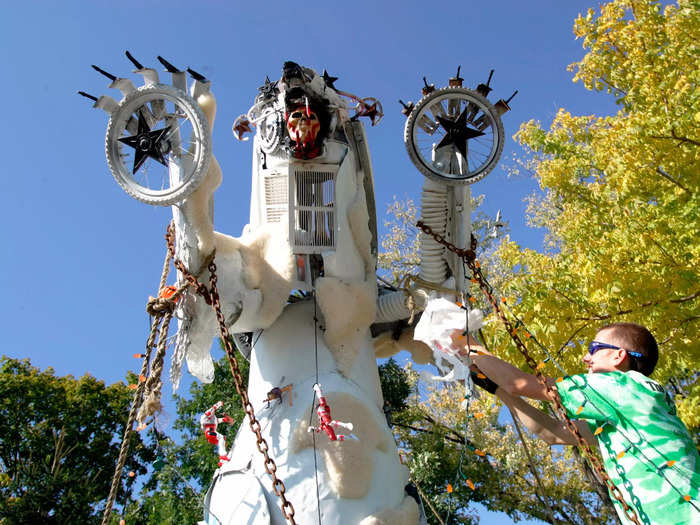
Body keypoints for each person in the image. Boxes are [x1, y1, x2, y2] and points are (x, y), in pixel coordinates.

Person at [459, 322, 699, 525]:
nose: (586, 358)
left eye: (594, 349)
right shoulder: (627, 410)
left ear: (619, 355)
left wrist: (470, 348)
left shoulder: (624, 386)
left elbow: (519, 383)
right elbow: (554, 433)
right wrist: (499, 391)